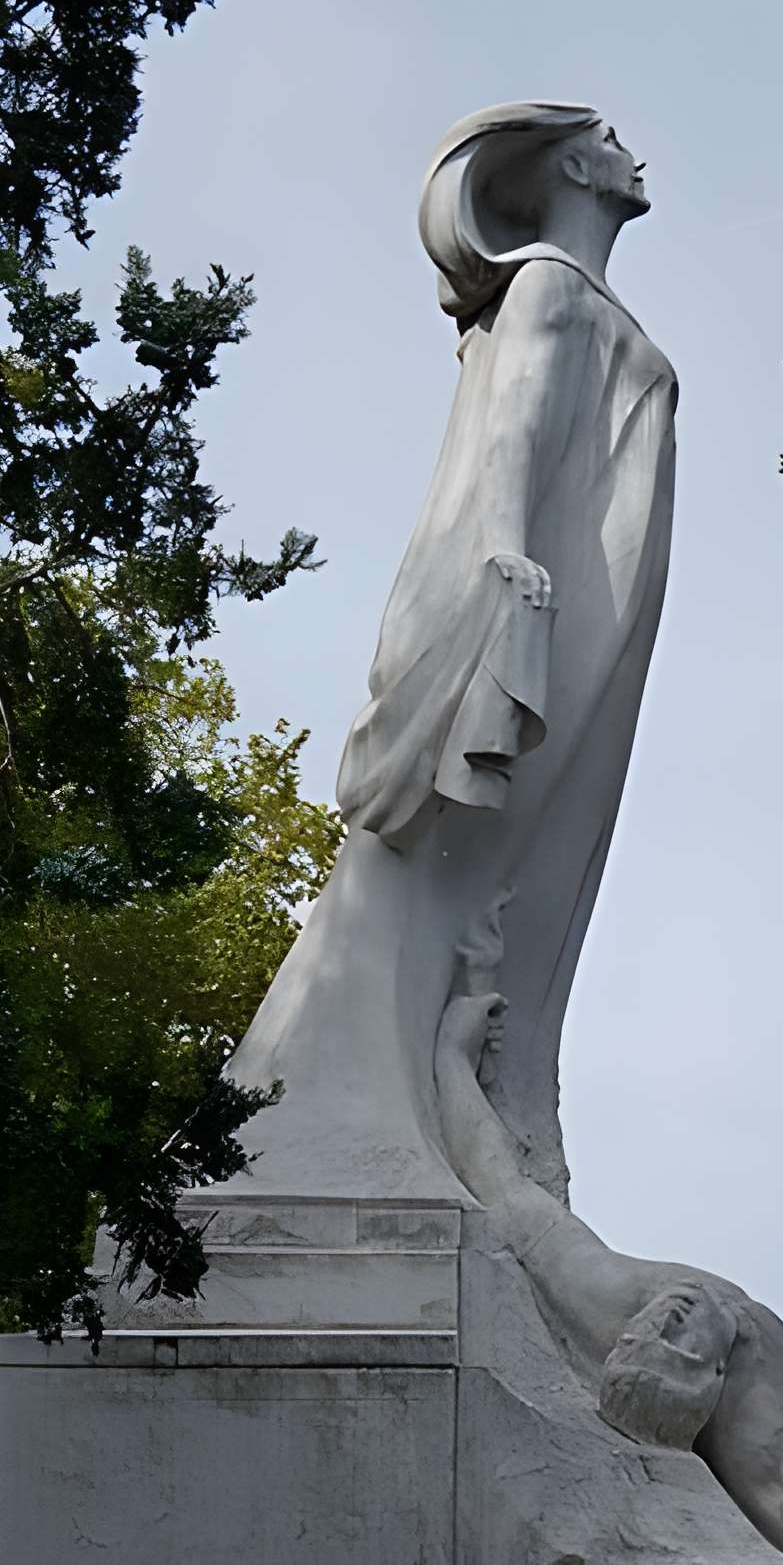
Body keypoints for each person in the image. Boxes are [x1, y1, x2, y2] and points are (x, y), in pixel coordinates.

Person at [218, 102, 679, 1205]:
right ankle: (347, 1115)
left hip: (595, 605)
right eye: (610, 140)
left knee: (522, 867)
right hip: (536, 588)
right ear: (573, 167)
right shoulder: (548, 287)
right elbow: (512, 425)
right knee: (450, 860)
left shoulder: (581, 299)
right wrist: (506, 555)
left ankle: (479, 1115)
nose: (634, 153)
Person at [433, 977, 783, 1565]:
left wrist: (452, 1059)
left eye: (652, 1340)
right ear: (705, 1378)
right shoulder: (731, 1399)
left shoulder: (595, 1285)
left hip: (755, 1356)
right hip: (763, 1370)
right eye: (680, 1355)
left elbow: (500, 1182)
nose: (669, 1326)